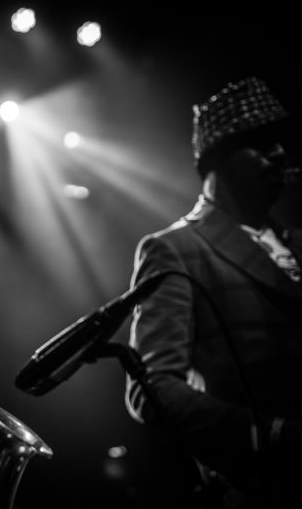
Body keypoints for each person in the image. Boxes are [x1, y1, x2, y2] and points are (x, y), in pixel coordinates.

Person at [124, 76, 302, 509]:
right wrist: (270, 435)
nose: (279, 153)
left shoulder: (296, 241)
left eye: (279, 141)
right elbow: (151, 387)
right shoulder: (174, 248)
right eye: (259, 144)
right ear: (217, 160)